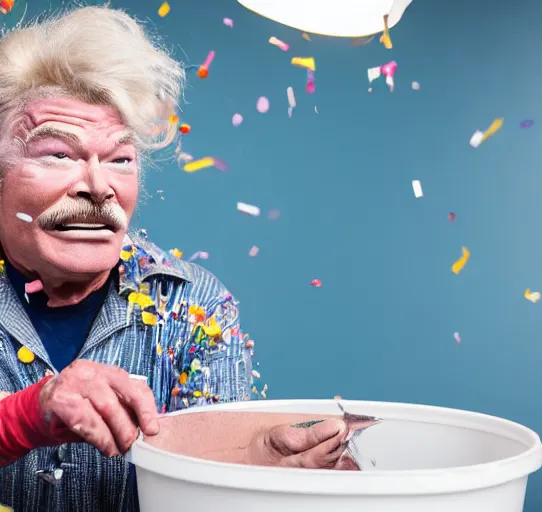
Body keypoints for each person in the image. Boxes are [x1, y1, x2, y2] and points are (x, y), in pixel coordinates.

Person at [0, 6, 355, 512]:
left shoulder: (196, 307)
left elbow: (207, 494)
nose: (99, 188)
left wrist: (250, 460)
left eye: (121, 159)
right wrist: (24, 418)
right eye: (58, 153)